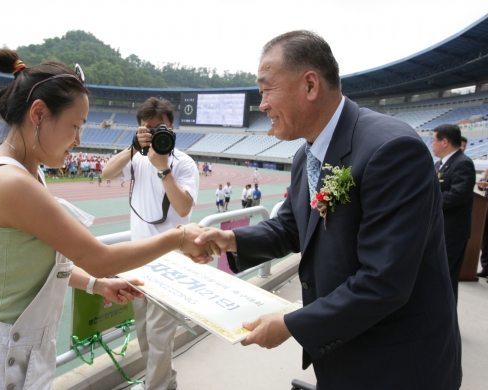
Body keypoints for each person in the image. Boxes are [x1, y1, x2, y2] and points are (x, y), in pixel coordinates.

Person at [192, 30, 461, 389]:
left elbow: (385, 281)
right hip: (344, 357)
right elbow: (289, 227)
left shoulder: (391, 149)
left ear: (310, 85)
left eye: (266, 89)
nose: (262, 105)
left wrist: (291, 325)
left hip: (397, 365)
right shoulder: (307, 152)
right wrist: (227, 239)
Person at [0, 49, 209, 390]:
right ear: (38, 114)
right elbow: (99, 258)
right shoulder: (11, 182)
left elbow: (32, 264)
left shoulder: (25, 173)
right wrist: (179, 237)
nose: (79, 140)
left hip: (7, 356)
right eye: (75, 126)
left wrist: (97, 285)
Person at [102, 97, 199, 390]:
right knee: (144, 332)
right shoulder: (136, 157)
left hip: (171, 261)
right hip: (137, 261)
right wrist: (133, 146)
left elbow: (183, 208)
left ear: (172, 127)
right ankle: (164, 383)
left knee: (159, 335)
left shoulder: (184, 163)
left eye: (161, 128)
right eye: (149, 129)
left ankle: (155, 387)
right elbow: (106, 173)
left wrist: (163, 167)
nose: (156, 133)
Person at [432, 124, 476, 302]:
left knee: (447, 276)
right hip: (439, 228)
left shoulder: (463, 163)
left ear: (445, 141)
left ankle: (447, 322)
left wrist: (430, 202)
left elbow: (459, 194)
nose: (432, 145)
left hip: (452, 231)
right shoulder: (440, 164)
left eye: (434, 140)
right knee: (436, 277)